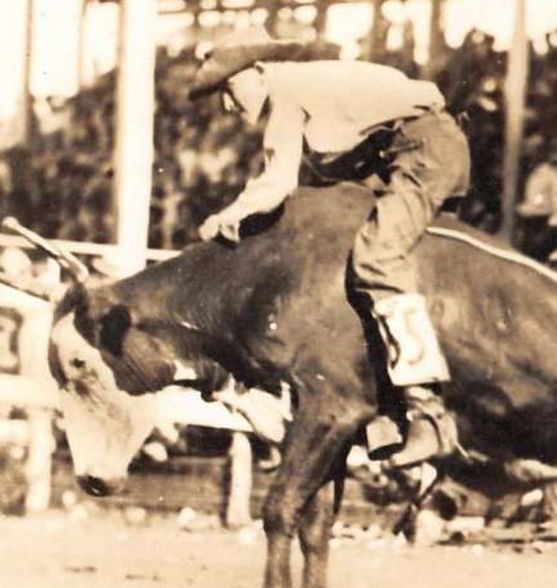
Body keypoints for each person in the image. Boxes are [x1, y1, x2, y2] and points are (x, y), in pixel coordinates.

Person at [188, 27, 471, 468]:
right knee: (350, 267)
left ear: (258, 70)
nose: (226, 104)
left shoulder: (287, 92)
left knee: (376, 261)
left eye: (228, 88)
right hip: (415, 151)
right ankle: (391, 410)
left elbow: (277, 182)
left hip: (422, 152)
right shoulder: (303, 84)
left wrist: (227, 216)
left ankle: (427, 414)